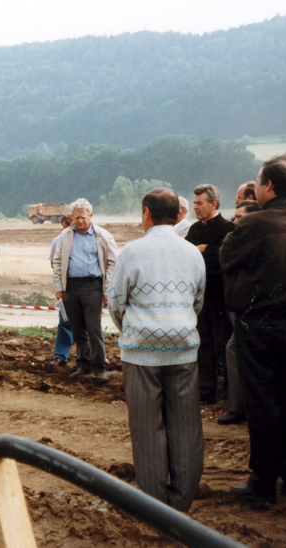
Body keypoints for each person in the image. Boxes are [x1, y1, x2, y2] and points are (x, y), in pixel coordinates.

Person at [220, 154, 286, 504]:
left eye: (258, 182)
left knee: (262, 405)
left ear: (269, 186)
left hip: (259, 326)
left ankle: (262, 483)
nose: (256, 187)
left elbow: (226, 257)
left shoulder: (256, 223)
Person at [109, 188, 206, 511]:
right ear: (178, 214)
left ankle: (153, 505)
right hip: (183, 349)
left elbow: (117, 303)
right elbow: (198, 301)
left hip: (141, 352)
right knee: (186, 423)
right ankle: (182, 502)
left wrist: (135, 332)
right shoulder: (193, 253)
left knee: (147, 425)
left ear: (146, 213)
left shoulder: (132, 252)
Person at [53, 198, 118, 385]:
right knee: (77, 328)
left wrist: (107, 289)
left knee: (94, 328)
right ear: (72, 217)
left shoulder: (103, 236)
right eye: (76, 218)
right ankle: (83, 365)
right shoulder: (65, 236)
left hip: (93, 286)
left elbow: (113, 262)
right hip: (71, 287)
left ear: (90, 215)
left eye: (83, 217)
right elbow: (57, 262)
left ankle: (99, 368)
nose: (79, 221)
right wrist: (59, 288)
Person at [185, 184, 234, 404]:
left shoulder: (227, 228)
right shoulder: (195, 230)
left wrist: (208, 250)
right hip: (199, 297)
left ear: (213, 204)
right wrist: (202, 250)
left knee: (223, 346)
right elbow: (185, 256)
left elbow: (222, 261)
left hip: (221, 297)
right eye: (194, 203)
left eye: (199, 203)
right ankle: (205, 393)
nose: (194, 207)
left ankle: (229, 395)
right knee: (202, 345)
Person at [217, 199, 259, 426]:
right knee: (233, 351)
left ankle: (241, 408)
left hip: (253, 310)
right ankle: (238, 406)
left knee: (237, 352)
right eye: (235, 216)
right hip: (238, 307)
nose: (235, 221)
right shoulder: (237, 238)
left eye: (241, 217)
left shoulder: (255, 239)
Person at [49, 214, 74, 367]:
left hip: (85, 286)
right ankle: (61, 356)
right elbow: (54, 264)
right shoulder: (58, 241)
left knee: (91, 324)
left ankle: (97, 356)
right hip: (66, 287)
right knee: (65, 321)